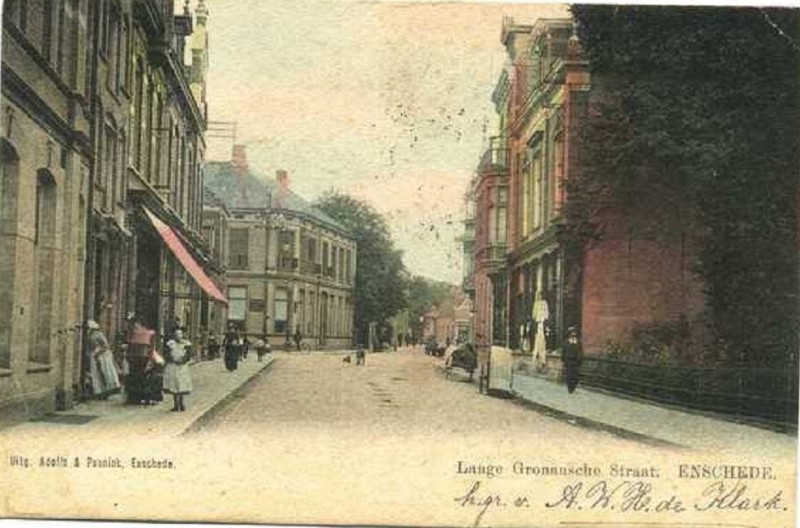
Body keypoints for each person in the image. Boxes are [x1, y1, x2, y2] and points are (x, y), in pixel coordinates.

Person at [86, 321, 121, 399]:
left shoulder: (99, 334)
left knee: (105, 372)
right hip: (94, 355)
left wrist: (98, 353)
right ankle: (99, 390)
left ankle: (107, 390)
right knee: (96, 373)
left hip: (103, 355)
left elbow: (105, 346)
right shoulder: (89, 335)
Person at [126, 316, 156, 405]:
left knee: (135, 376)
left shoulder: (135, 332)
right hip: (141, 356)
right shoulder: (150, 333)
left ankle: (134, 397)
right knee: (142, 377)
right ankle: (141, 396)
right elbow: (152, 347)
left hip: (136, 356)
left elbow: (130, 343)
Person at [163, 328, 193, 412]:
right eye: (176, 334)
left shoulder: (186, 344)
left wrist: (182, 360)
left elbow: (188, 355)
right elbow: (166, 353)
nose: (178, 336)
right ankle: (176, 404)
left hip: (182, 367)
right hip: (173, 366)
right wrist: (172, 359)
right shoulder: (170, 344)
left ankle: (181, 403)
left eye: (180, 334)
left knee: (181, 384)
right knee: (174, 384)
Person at [562, 326, 583, 394]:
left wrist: (579, 360)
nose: (573, 335)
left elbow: (580, 351)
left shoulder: (578, 342)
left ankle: (573, 386)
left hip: (575, 362)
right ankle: (570, 388)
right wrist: (564, 361)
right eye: (571, 334)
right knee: (569, 376)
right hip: (568, 362)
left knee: (575, 376)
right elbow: (564, 352)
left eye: (574, 334)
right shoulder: (566, 342)